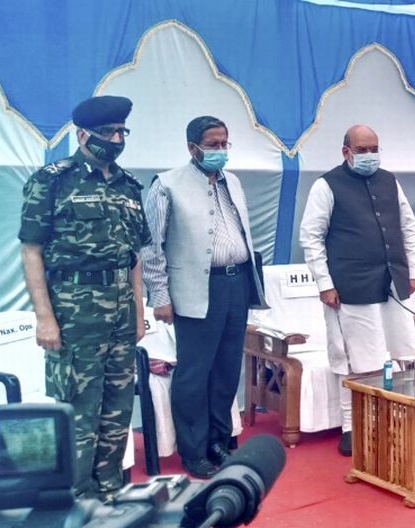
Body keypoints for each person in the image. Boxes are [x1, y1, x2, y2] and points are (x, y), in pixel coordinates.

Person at [19, 95, 148, 501]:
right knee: (78, 409)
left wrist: (139, 311)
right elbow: (31, 250)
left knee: (117, 406)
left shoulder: (129, 186)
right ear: (82, 135)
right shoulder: (53, 180)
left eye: (121, 132)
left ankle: (109, 488)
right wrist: (44, 317)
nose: (116, 138)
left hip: (121, 310)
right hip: (75, 308)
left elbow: (134, 257)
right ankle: (74, 497)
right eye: (108, 132)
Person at [141, 116, 267, 478]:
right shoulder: (166, 185)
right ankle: (193, 450)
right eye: (212, 144)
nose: (220, 150)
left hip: (237, 284)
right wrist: (160, 296)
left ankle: (219, 440)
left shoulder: (234, 182)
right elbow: (151, 246)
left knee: (227, 369)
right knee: (194, 373)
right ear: (192, 147)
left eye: (225, 143)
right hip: (196, 289)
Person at [300, 125, 415, 457]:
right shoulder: (326, 185)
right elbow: (310, 238)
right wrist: (325, 284)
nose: (370, 155)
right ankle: (352, 425)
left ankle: (392, 418)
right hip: (350, 287)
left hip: (392, 283)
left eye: (374, 148)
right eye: (363, 150)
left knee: (397, 355)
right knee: (355, 362)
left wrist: (414, 270)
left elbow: (408, 226)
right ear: (346, 152)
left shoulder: (389, 180)